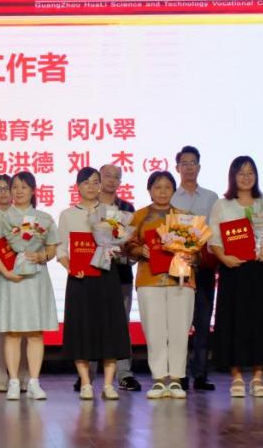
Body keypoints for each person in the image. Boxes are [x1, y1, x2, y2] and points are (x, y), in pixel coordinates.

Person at [207, 156, 263, 398]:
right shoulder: (222, 205)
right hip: (233, 270)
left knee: (260, 321)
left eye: (250, 173)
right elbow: (213, 238)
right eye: (241, 173)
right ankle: (236, 376)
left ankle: (258, 377)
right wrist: (223, 258)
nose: (246, 177)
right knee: (233, 321)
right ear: (233, 176)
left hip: (259, 269)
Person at [57, 167, 132, 401]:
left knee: (110, 330)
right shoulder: (68, 214)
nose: (91, 186)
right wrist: (71, 267)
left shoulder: (111, 212)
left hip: (107, 277)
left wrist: (115, 246)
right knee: (81, 331)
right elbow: (61, 249)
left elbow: (121, 242)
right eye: (86, 182)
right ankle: (86, 383)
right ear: (77, 186)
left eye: (95, 182)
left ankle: (108, 384)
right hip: (79, 279)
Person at [0, 171, 59, 401]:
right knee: (13, 331)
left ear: (33, 190)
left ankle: (34, 382)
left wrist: (42, 256)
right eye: (15, 187)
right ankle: (13, 382)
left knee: (36, 332)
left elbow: (52, 246)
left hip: (36, 278)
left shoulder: (44, 218)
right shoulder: (1, 217)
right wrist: (5, 272)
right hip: (11, 279)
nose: (18, 191)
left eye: (23, 187)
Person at [127, 171, 195, 400]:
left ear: (174, 190)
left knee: (179, 330)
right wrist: (140, 250)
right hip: (149, 280)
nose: (163, 191)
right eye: (157, 187)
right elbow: (127, 246)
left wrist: (192, 256)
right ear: (149, 190)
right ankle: (158, 379)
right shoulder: (139, 216)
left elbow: (198, 249)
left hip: (181, 280)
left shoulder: (185, 217)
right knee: (154, 331)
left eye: (167, 187)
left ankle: (176, 379)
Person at [170, 146, 220, 392]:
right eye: (184, 163)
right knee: (179, 322)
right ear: (177, 167)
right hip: (178, 265)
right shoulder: (170, 197)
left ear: (199, 167)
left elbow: (216, 231)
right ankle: (178, 374)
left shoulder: (211, 198)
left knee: (202, 320)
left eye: (193, 163)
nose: (189, 167)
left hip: (203, 265)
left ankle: (200, 374)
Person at [96, 163, 141, 393]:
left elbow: (132, 243)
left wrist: (124, 250)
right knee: (92, 323)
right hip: (94, 274)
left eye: (116, 177)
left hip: (121, 274)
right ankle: (87, 375)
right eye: (107, 176)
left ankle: (124, 374)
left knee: (121, 325)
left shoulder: (127, 208)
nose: (112, 180)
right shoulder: (90, 207)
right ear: (99, 178)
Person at [0, 174, 27, 393]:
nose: (3, 193)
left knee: (23, 326)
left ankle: (24, 375)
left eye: (7, 188)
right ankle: (0, 376)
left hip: (20, 278)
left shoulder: (23, 216)